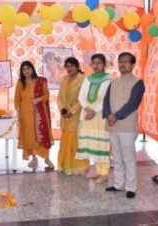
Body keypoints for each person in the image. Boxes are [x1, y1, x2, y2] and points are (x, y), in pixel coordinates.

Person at [103, 52, 145, 198]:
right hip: (112, 125)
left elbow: (133, 103)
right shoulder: (113, 82)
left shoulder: (138, 82)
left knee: (128, 157)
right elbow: (106, 100)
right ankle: (118, 184)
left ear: (133, 65)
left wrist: (116, 115)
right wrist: (108, 114)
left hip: (127, 126)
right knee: (117, 157)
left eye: (126, 62)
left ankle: (131, 187)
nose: (122, 64)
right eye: (120, 61)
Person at [75, 53, 112, 183]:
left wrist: (94, 111)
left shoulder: (109, 79)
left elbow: (106, 98)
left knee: (102, 143)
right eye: (94, 63)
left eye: (99, 63)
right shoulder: (87, 79)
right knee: (93, 143)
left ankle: (105, 173)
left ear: (104, 65)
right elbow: (81, 96)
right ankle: (97, 170)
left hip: (100, 116)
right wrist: (87, 109)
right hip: (87, 115)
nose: (96, 66)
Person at [14, 61, 54, 170]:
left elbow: (46, 94)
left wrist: (39, 99)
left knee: (42, 135)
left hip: (40, 113)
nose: (26, 71)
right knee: (29, 136)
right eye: (24, 69)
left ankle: (46, 158)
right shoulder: (20, 83)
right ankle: (34, 157)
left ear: (32, 69)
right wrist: (18, 112)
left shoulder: (40, 81)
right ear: (22, 72)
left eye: (28, 68)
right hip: (25, 115)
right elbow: (17, 100)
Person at [57, 57, 89, 175]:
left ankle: (80, 166)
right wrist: (62, 110)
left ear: (77, 67)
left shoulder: (84, 79)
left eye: (72, 66)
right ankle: (65, 165)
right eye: (68, 66)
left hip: (77, 115)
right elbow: (59, 97)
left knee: (76, 140)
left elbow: (84, 98)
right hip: (65, 115)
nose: (70, 68)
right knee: (66, 140)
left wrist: (72, 111)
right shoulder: (64, 79)